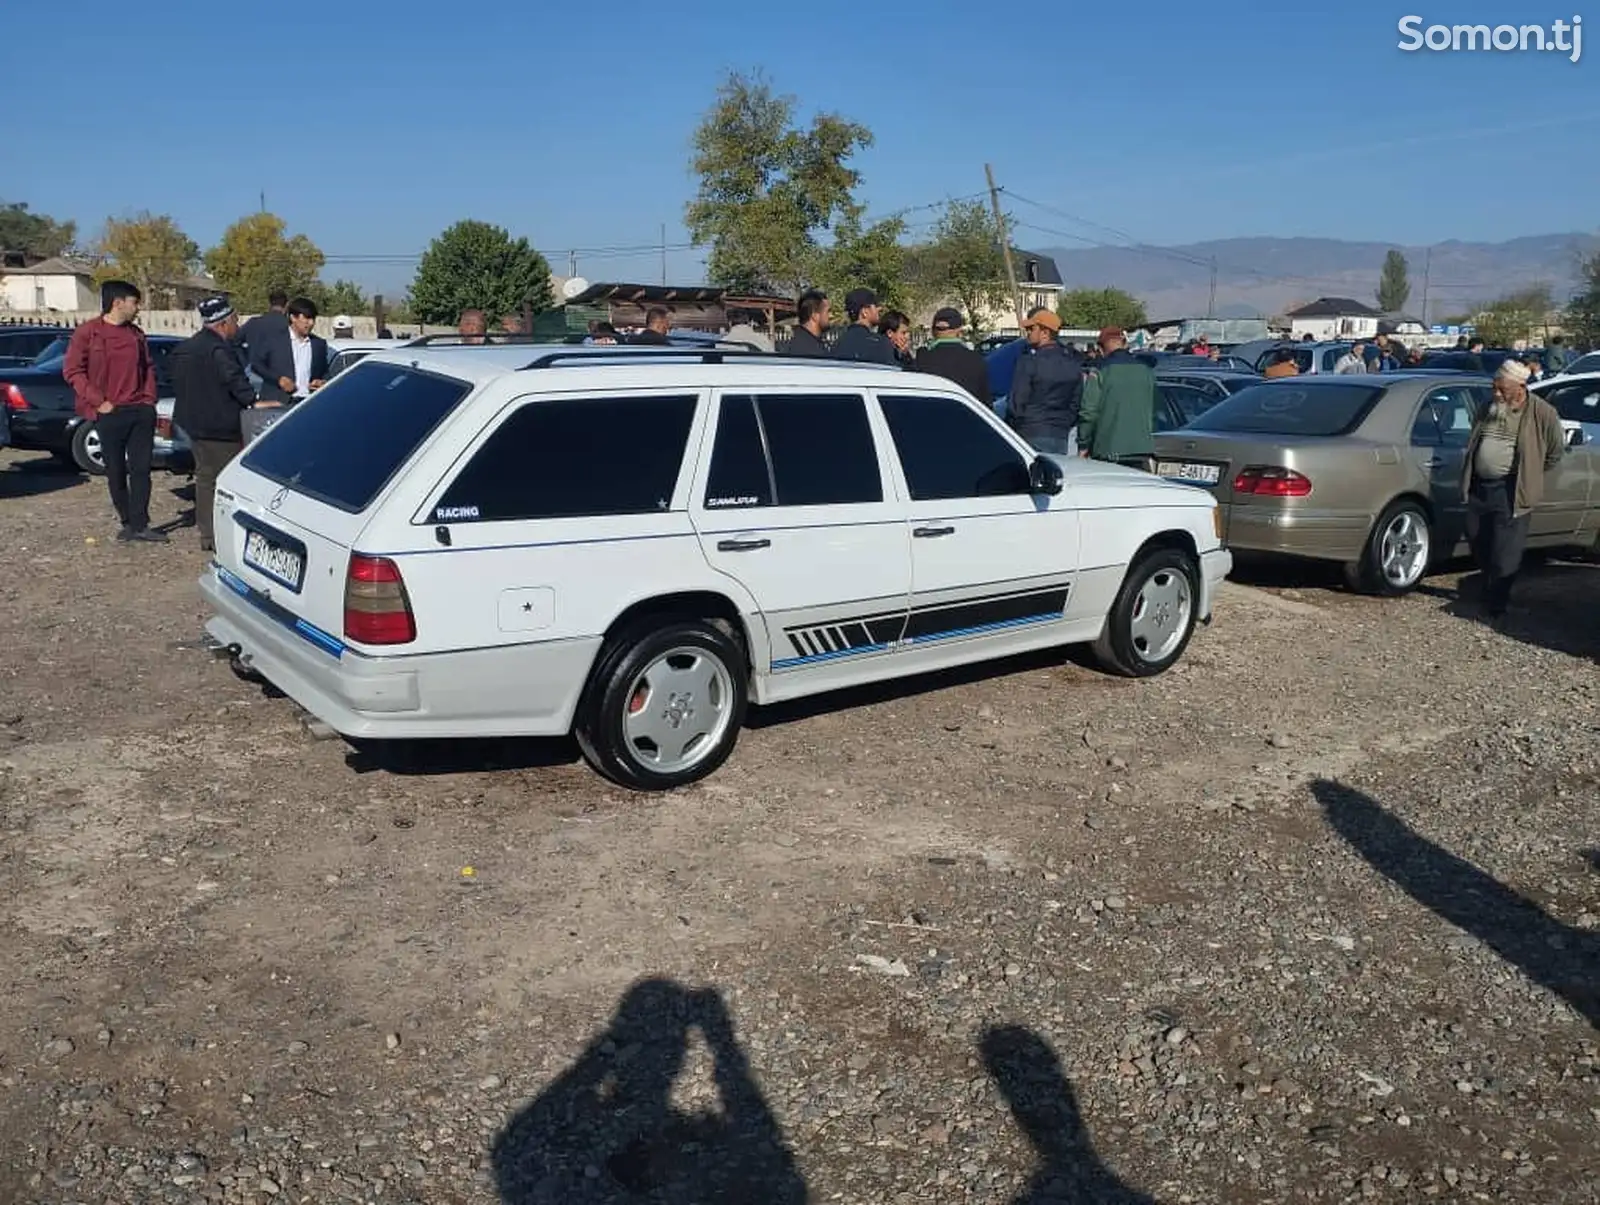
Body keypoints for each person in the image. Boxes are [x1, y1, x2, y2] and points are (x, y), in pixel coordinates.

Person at [1462, 359, 1565, 618]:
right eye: (1494, 387)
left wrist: (1530, 474)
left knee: (1505, 550)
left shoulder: (1542, 412)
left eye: (1502, 389)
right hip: (1479, 486)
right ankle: (1489, 586)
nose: (1497, 393)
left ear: (1520, 387)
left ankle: (1497, 601)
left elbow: (1554, 451)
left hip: (1511, 489)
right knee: (1478, 539)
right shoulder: (1488, 407)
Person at [63, 280, 165, 542]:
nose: (137, 307)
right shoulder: (88, 333)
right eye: (134, 302)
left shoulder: (136, 334)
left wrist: (149, 399)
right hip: (109, 412)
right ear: (118, 303)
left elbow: (148, 367)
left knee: (141, 469)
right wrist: (99, 401)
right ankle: (127, 521)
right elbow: (72, 371)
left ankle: (141, 524)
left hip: (140, 410)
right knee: (116, 471)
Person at [172, 297, 260, 552]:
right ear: (223, 323)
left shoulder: (186, 347)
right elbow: (235, 383)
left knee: (205, 479)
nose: (238, 324)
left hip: (193, 425)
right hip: (220, 428)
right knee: (227, 482)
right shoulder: (219, 350)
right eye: (235, 319)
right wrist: (253, 401)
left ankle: (208, 534)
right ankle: (226, 535)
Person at [1077, 327, 1156, 470]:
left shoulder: (1099, 371)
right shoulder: (1146, 371)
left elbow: (1088, 412)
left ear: (1100, 348)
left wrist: (1083, 445)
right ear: (1125, 344)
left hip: (1108, 450)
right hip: (1142, 450)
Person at [1006, 309, 1081, 455]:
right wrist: (1064, 423)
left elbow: (1016, 403)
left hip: (1030, 433)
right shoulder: (1073, 364)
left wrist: (1019, 425)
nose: (1028, 333)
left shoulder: (1029, 362)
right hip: (1060, 435)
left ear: (1045, 333)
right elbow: (1076, 403)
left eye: (1031, 329)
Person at [250, 297, 330, 403]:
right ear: (293, 318)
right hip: (278, 402)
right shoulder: (273, 340)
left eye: (313, 319)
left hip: (308, 402)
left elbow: (325, 372)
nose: (310, 323)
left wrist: (322, 382)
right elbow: (256, 364)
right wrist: (278, 379)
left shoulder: (318, 344)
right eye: (306, 318)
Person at [913, 308, 991, 404]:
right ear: (959, 330)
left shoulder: (922, 358)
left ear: (933, 331)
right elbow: (985, 403)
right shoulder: (976, 360)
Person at [830, 288, 897, 364]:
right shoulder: (881, 344)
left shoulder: (837, 344)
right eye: (875, 305)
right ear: (865, 312)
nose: (879, 309)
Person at [239, 290, 288, 364]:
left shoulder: (253, 323)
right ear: (287, 305)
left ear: (270, 304)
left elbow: (234, 342)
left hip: (254, 371)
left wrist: (244, 362)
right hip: (281, 372)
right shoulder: (290, 326)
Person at [787, 290, 830, 356]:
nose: (831, 315)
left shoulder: (799, 342)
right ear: (815, 315)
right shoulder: (812, 352)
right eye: (828, 312)